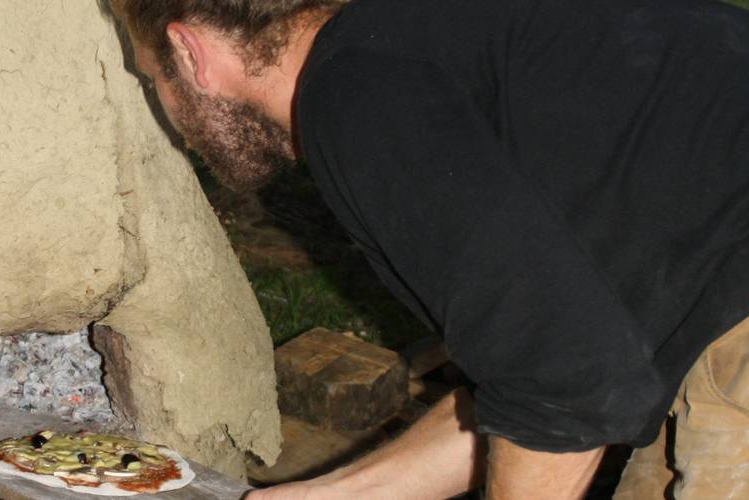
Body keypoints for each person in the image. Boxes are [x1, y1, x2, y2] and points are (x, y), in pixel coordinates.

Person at [106, 0, 749, 498]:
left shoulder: (356, 97)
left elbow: (563, 394)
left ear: (189, 50)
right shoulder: (410, 50)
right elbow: (527, 380)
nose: (166, 107)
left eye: (151, 77)